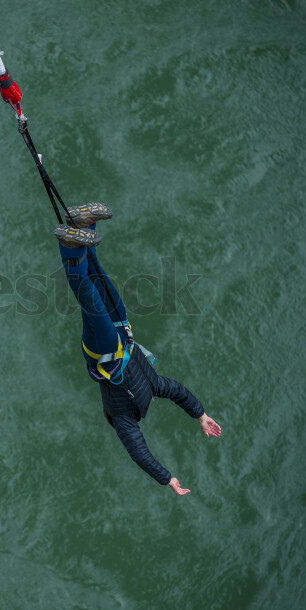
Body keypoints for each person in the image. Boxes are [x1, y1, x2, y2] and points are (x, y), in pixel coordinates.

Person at [55, 202, 221, 496]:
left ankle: (69, 244)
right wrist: (201, 415)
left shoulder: (122, 419)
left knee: (88, 295)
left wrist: (166, 478)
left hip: (105, 355)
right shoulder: (155, 386)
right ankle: (82, 223)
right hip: (124, 335)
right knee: (99, 277)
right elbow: (179, 391)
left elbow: (139, 453)